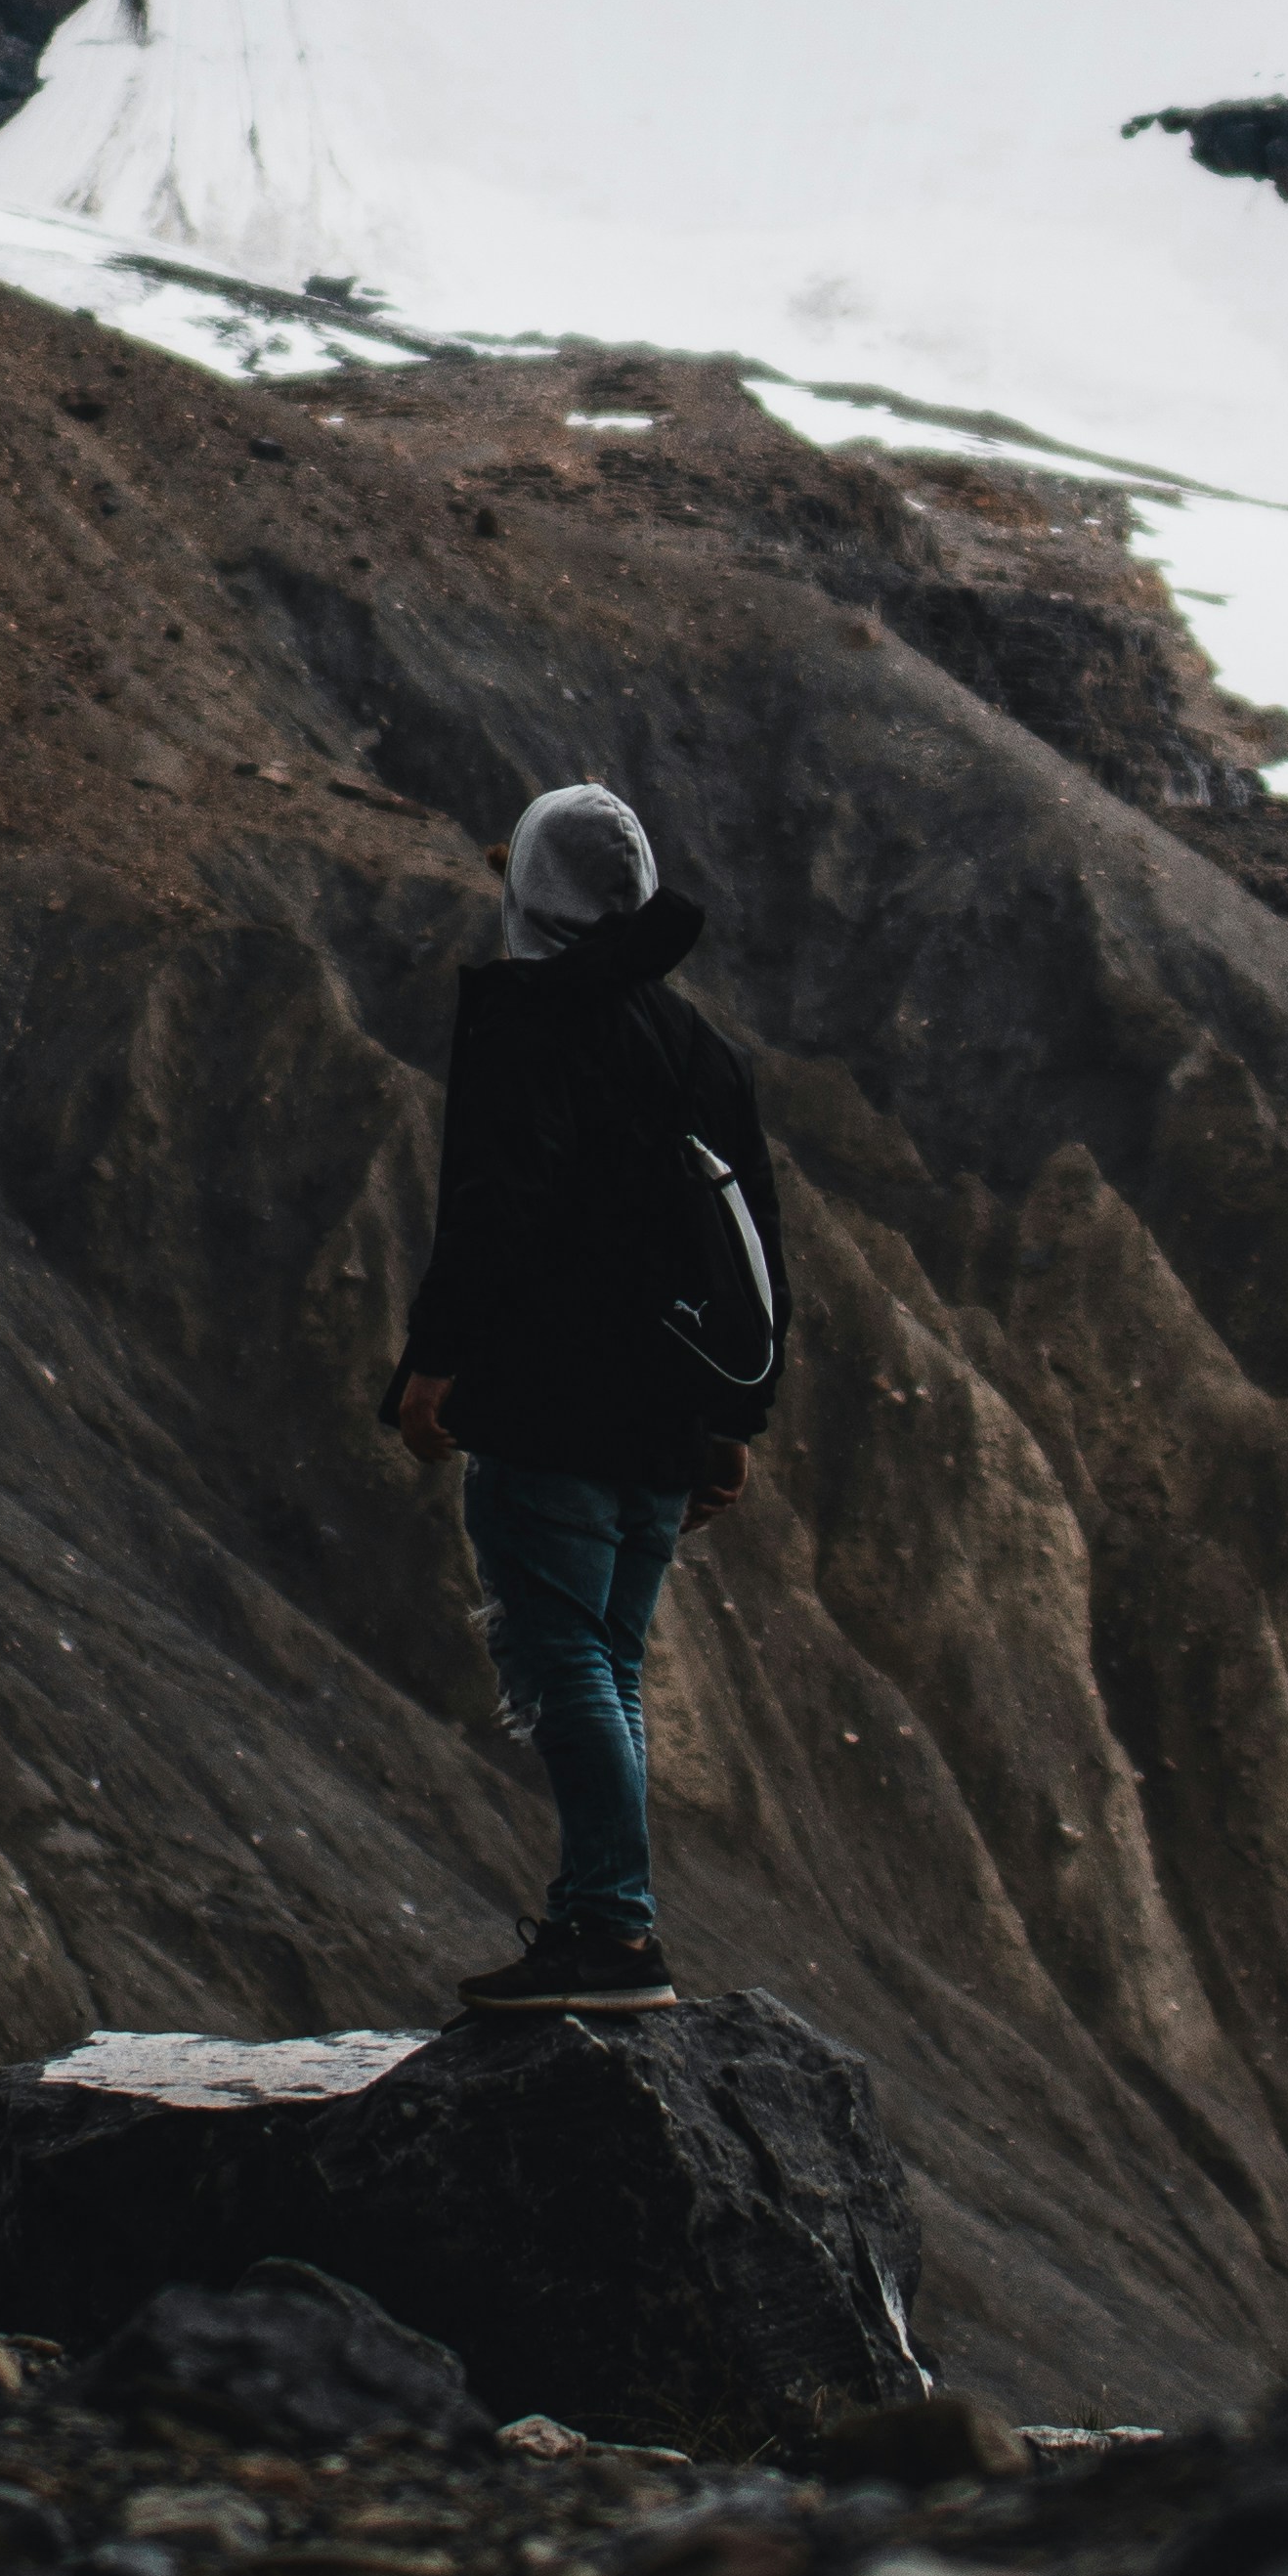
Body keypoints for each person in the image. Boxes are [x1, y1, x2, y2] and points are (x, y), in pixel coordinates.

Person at [383, 780, 788, 2015]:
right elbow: (755, 1240)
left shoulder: (527, 1023)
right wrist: (732, 1422)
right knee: (607, 1660)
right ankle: (601, 1917)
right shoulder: (694, 1044)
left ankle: (609, 1932)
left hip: (552, 1400)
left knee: (561, 1653)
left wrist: (432, 1363)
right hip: (665, 1413)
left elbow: (494, 1208)